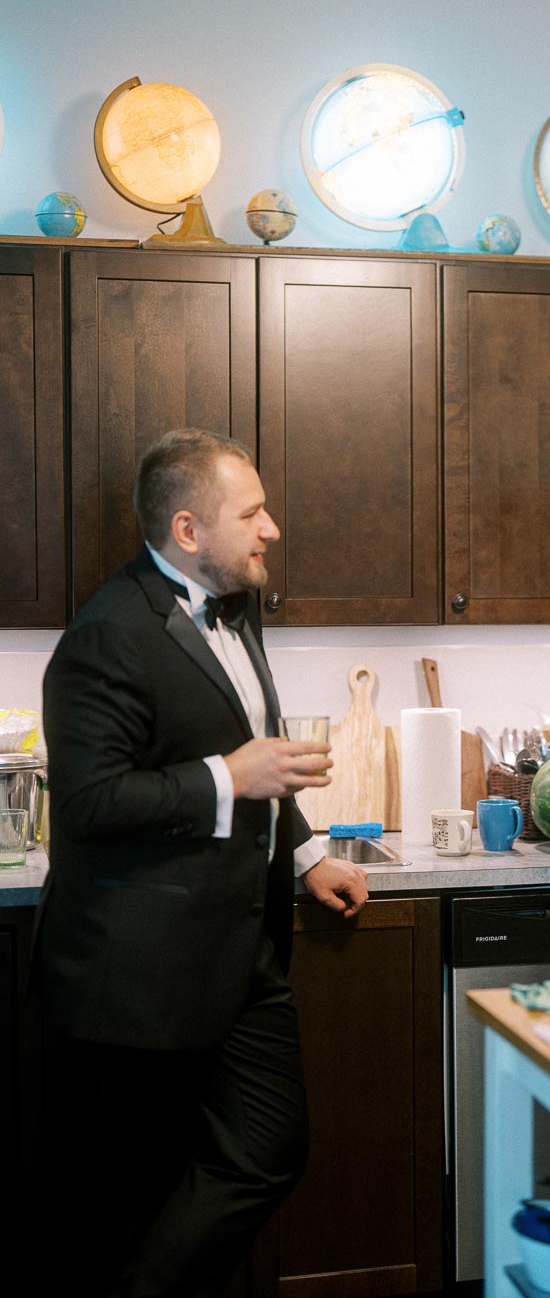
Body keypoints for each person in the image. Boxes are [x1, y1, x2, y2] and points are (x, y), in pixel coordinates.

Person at [35, 428, 368, 1298]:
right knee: (128, 1201)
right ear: (189, 530)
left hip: (243, 955)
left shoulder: (237, 605)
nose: (274, 529)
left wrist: (304, 856)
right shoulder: (106, 635)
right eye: (252, 513)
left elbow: (258, 762)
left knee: (271, 1149)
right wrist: (229, 775)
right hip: (139, 976)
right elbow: (86, 803)